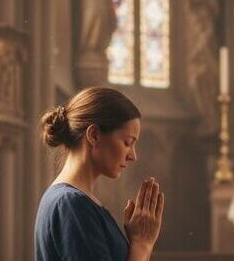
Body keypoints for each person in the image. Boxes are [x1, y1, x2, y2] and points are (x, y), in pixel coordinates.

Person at [35, 87, 164, 261]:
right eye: (127, 142)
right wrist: (142, 245)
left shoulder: (73, 201)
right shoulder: (72, 204)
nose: (133, 155)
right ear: (94, 135)